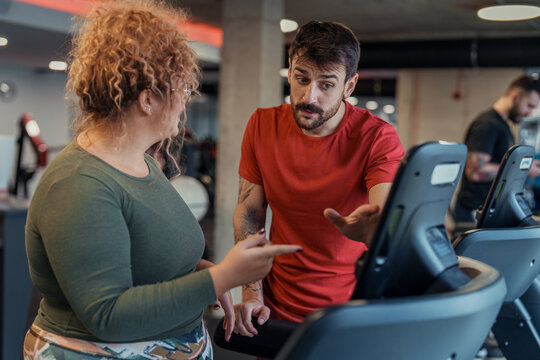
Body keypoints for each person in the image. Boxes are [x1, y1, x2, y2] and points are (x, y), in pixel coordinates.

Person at [23, 1, 301, 359]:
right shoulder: (79, 184)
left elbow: (148, 255)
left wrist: (205, 273)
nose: (186, 102)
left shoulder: (143, 164)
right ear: (149, 100)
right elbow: (108, 316)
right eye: (182, 91)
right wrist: (220, 279)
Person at [232, 21, 404, 336]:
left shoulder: (377, 137)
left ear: (349, 86)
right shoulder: (261, 125)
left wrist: (376, 231)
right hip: (276, 305)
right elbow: (249, 213)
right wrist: (251, 293)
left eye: (326, 84)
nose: (309, 96)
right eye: (301, 79)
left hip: (349, 310)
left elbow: (385, 215)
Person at [454, 75, 540, 222]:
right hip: (475, 211)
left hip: (490, 209)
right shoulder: (488, 125)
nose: (529, 113)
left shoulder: (503, 126)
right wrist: (523, 170)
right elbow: (475, 172)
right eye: (529, 106)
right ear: (515, 97)